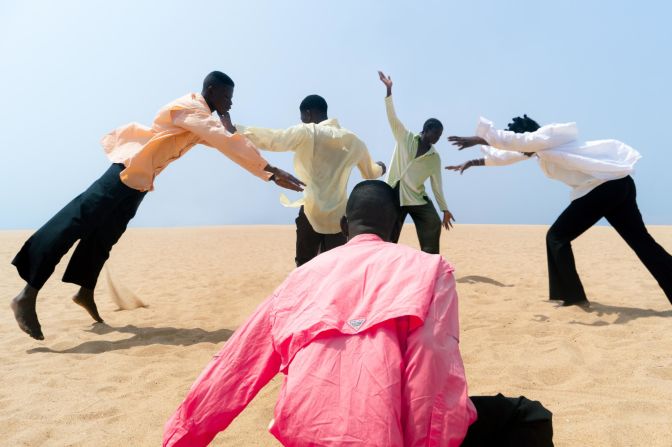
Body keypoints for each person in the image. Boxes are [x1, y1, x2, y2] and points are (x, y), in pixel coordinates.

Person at [163, 180, 554, 447]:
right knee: (528, 417)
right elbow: (430, 371)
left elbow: (234, 368)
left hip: (305, 434)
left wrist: (178, 440)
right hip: (385, 435)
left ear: (345, 225)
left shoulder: (298, 280)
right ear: (397, 226)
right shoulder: (429, 269)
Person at [10, 71, 305, 340]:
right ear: (211, 90)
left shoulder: (202, 119)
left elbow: (224, 140)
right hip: (125, 171)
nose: (230, 101)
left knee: (104, 236)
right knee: (75, 222)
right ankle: (28, 293)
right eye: (226, 95)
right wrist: (270, 171)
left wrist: (236, 137)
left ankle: (84, 291)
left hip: (138, 182)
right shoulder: (191, 108)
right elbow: (222, 139)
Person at [447, 114, 672, 307]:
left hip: (604, 188)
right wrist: (472, 163)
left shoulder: (548, 136)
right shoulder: (537, 150)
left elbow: (519, 142)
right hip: (617, 186)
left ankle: (573, 297)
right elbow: (505, 156)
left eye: (520, 145)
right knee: (642, 243)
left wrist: (480, 138)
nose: (520, 150)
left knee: (556, 237)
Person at [223, 94, 386, 266]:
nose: (302, 122)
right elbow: (370, 173)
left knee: (304, 266)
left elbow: (273, 139)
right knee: (335, 269)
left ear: (308, 114)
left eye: (302, 118)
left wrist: (236, 130)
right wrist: (381, 167)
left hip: (310, 212)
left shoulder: (308, 132)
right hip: (339, 219)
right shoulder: (354, 141)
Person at [377, 71, 455, 254]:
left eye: (440, 135)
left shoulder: (434, 158)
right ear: (427, 130)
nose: (438, 138)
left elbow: (437, 185)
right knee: (388, 235)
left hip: (416, 198)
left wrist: (444, 209)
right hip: (393, 193)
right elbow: (392, 118)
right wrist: (389, 90)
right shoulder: (406, 138)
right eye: (436, 133)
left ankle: (429, 261)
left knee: (433, 223)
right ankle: (385, 263)